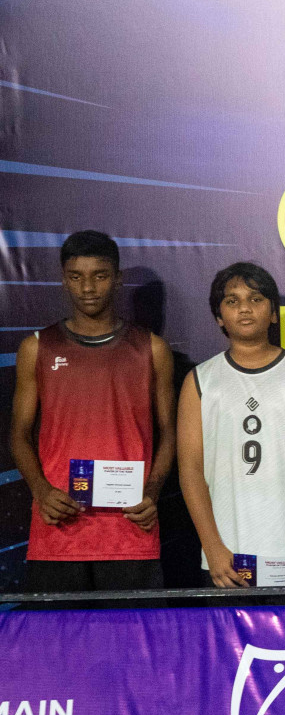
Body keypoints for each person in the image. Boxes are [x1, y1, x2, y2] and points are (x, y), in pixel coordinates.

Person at [10, 231, 175, 598]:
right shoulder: (37, 347)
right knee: (57, 653)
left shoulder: (151, 349)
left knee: (135, 651)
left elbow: (169, 432)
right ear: (63, 279)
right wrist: (41, 491)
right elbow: (19, 434)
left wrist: (151, 492)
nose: (88, 287)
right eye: (76, 276)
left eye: (100, 275)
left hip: (130, 531)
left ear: (117, 279)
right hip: (59, 531)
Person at [177, 262, 285, 589]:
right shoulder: (201, 381)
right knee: (232, 642)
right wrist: (212, 546)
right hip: (228, 558)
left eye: (256, 299)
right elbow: (190, 468)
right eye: (232, 301)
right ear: (219, 317)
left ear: (274, 313)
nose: (245, 308)